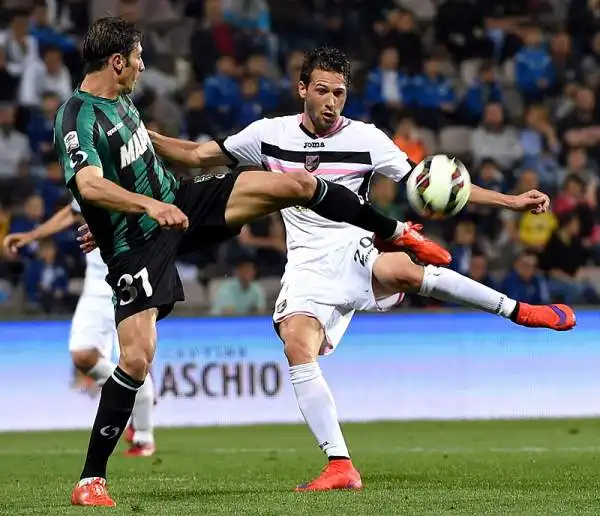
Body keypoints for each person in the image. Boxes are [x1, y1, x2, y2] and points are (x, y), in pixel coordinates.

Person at [148, 46, 576, 492]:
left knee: (406, 271)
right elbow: (197, 156)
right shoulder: (267, 135)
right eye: (322, 91)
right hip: (308, 265)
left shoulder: (368, 139)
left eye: (339, 92)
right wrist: (147, 138)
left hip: (355, 247)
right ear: (302, 90)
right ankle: (340, 465)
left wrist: (509, 201)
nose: (331, 102)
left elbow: (432, 183)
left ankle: (520, 310)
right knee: (297, 345)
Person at [56, 18, 444, 508]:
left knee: (298, 183)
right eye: (137, 58)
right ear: (118, 62)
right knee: (137, 357)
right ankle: (91, 479)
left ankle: (395, 231)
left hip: (181, 202)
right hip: (138, 241)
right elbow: (88, 183)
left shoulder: (123, 104)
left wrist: (135, 203)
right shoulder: (77, 116)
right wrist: (138, 209)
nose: (142, 65)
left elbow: (130, 170)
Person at [3, 201, 156, 457]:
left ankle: (143, 435)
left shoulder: (135, 173)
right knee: (82, 353)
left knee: (135, 355)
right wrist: (31, 235)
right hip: (96, 284)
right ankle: (139, 392)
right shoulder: (89, 171)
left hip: (129, 279)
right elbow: (72, 212)